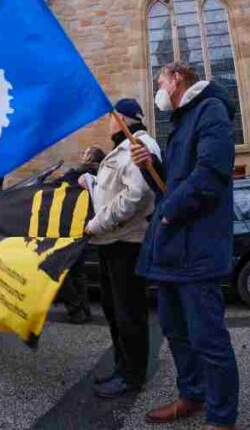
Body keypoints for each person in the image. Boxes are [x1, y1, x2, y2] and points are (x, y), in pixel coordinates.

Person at [132, 62, 240, 430]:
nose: (158, 86)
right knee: (176, 332)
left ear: (177, 78)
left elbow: (210, 174)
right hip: (172, 250)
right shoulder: (181, 119)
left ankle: (222, 419)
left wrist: (169, 214)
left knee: (208, 338)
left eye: (160, 79)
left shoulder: (210, 111)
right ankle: (191, 395)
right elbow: (172, 182)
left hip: (195, 248)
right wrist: (151, 166)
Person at [80, 99, 161, 399]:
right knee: (115, 312)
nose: (108, 123)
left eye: (112, 117)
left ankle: (132, 377)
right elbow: (113, 188)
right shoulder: (122, 148)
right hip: (111, 243)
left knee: (129, 314)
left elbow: (135, 195)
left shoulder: (137, 145)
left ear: (122, 118)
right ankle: (121, 366)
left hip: (126, 243)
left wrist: (98, 224)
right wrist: (91, 181)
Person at [55, 145, 105, 324]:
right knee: (78, 271)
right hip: (87, 227)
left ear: (91, 158)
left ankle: (76, 310)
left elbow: (57, 186)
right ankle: (84, 310)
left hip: (71, 228)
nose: (82, 154)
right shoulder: (103, 175)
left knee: (64, 270)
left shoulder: (77, 175)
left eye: (85, 153)